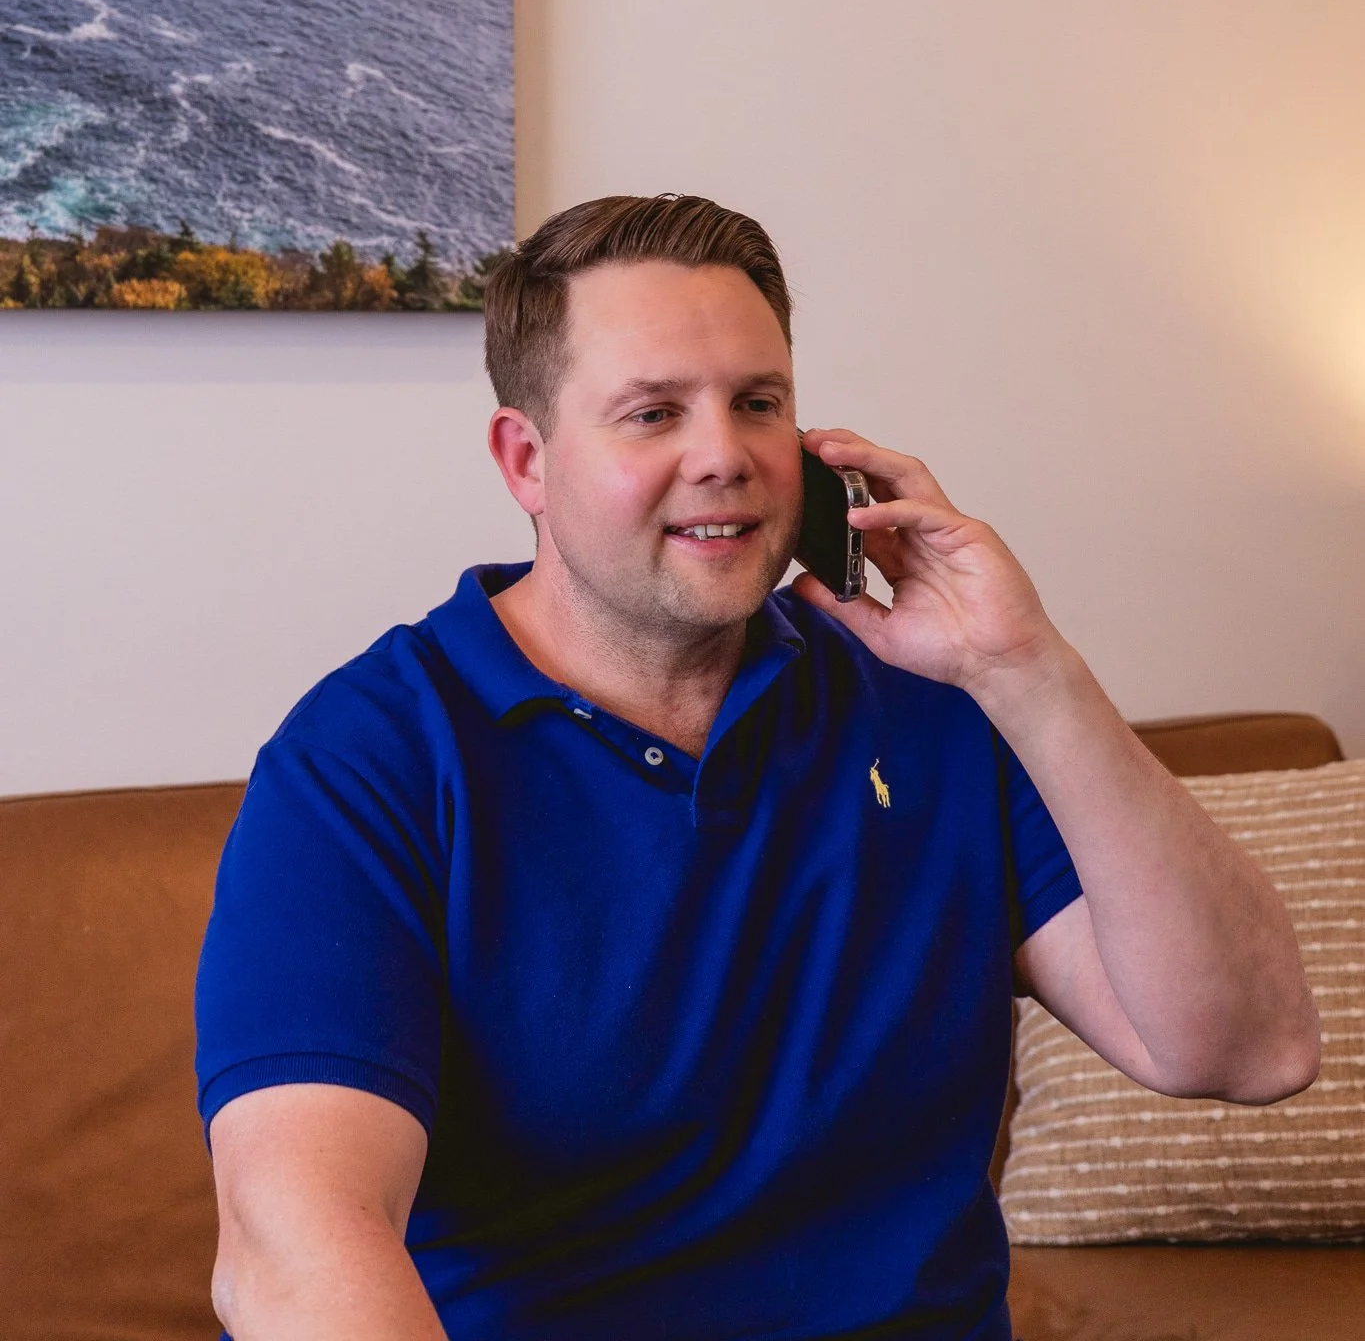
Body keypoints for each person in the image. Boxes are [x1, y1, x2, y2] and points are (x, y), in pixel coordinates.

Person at [197, 193, 1318, 1341]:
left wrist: (1028, 669)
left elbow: (1252, 1046)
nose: (724, 454)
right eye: (653, 413)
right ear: (527, 459)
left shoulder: (939, 699)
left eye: (758, 402)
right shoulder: (367, 758)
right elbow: (296, 1247)